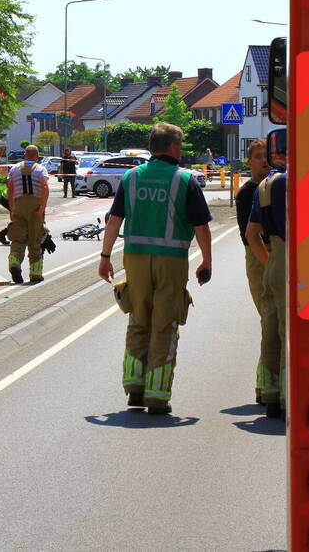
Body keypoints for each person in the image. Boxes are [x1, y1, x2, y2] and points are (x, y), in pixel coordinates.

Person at [98, 123, 212, 415]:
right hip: (171, 260)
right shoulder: (185, 179)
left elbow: (114, 220)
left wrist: (105, 256)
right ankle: (157, 396)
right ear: (173, 147)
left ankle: (134, 388)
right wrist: (206, 261)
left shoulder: (131, 177)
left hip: (135, 258)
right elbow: (200, 226)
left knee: (138, 318)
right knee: (164, 323)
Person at [245, 144, 287, 420]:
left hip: (276, 261)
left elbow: (251, 234)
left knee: (272, 327)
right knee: (292, 332)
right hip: (308, 259)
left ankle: (272, 395)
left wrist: (270, 263)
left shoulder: (267, 186)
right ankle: (289, 394)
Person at [235, 140, 278, 407]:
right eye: (258, 156)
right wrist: (271, 264)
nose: (264, 160)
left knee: (274, 321)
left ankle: (269, 384)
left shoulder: (277, 186)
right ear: (249, 162)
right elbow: (249, 235)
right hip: (259, 254)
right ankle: (267, 385)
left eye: (267, 156)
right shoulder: (248, 192)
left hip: (274, 252)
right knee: (270, 318)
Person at [7, 145, 50, 284]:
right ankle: (35, 274)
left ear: (25, 155)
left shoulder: (14, 169)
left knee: (18, 238)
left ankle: (14, 262)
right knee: (35, 240)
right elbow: (44, 187)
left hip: (18, 206)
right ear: (37, 157)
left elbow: (11, 189)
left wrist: (12, 209)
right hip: (34, 208)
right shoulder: (40, 169)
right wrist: (41, 208)